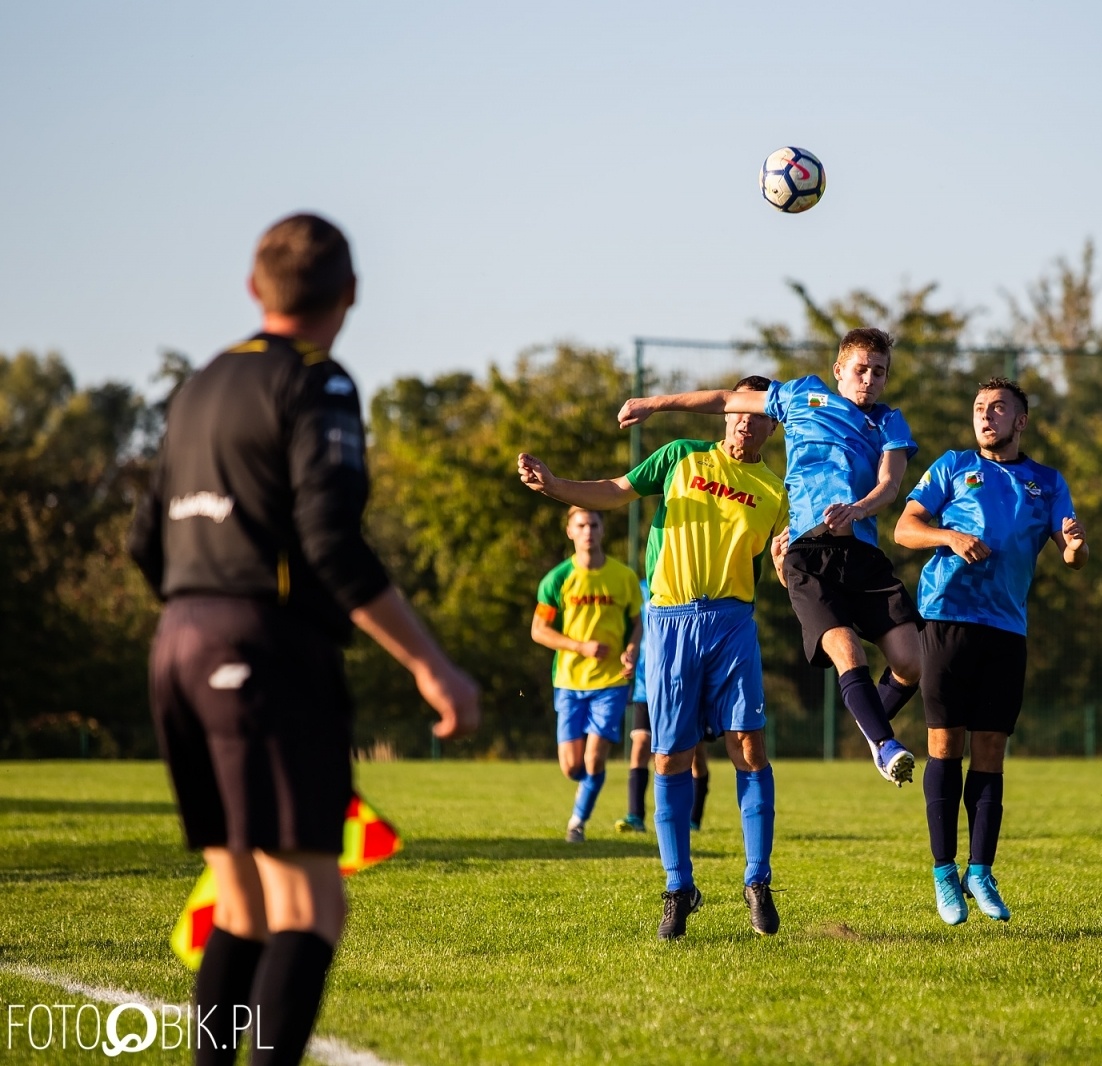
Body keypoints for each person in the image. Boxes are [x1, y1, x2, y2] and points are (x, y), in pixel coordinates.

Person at [127, 213, 480, 1065]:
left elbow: (145, 538)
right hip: (262, 650)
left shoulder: (202, 381)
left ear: (255, 288)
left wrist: (197, 622)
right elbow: (329, 542)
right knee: (310, 906)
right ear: (350, 294)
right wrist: (432, 666)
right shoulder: (317, 383)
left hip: (177, 642)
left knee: (241, 905)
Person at [518, 375, 787, 940]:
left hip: (733, 621)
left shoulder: (775, 491)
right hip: (669, 622)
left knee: (749, 748)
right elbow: (616, 490)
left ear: (773, 424)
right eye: (737, 410)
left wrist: (791, 563)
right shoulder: (680, 457)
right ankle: (677, 885)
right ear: (723, 416)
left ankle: (757, 881)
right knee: (668, 757)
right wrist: (555, 486)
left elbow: (789, 567)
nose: (744, 420)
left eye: (758, 413)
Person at [618, 328, 922, 787]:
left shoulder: (889, 422)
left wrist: (859, 509)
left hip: (861, 549)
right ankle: (884, 742)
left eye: (879, 372)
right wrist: (654, 403)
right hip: (809, 550)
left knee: (912, 663)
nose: (870, 379)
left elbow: (890, 484)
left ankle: (871, 728)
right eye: (861, 369)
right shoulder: (800, 395)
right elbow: (726, 400)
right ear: (839, 370)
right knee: (847, 650)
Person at [893, 377, 1086, 925]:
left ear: (1020, 421)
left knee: (992, 749)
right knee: (944, 743)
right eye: (980, 407)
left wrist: (1074, 544)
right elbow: (905, 529)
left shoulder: (1047, 482)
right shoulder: (953, 466)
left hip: (1006, 628)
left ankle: (981, 870)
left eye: (999, 408)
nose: (987, 415)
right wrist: (949, 538)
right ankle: (943, 873)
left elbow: (1074, 556)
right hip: (947, 617)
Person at [531, 507, 643, 842]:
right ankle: (585, 789)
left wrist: (632, 649)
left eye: (594, 524)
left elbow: (637, 622)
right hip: (568, 680)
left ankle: (577, 823)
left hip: (610, 682)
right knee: (571, 767)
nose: (588, 531)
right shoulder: (557, 579)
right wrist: (580, 647)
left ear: (602, 529)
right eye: (580, 525)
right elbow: (539, 630)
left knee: (595, 758)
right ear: (570, 531)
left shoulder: (623, 577)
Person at [615, 576, 712, 836]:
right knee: (640, 746)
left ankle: (694, 817)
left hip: (684, 683)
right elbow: (630, 629)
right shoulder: (639, 590)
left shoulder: (691, 584)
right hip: (647, 685)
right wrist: (627, 653)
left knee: (695, 753)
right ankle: (635, 815)